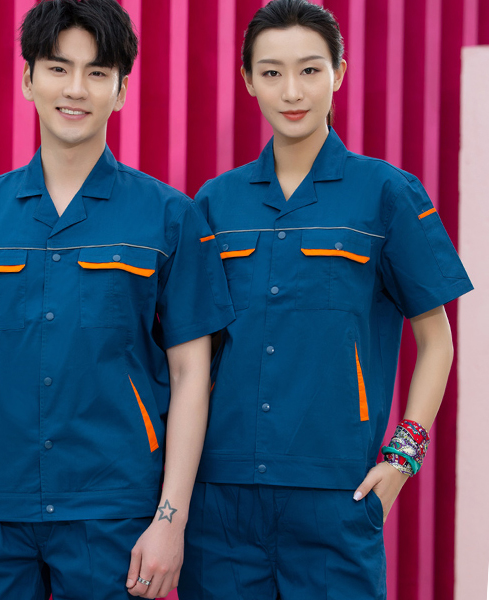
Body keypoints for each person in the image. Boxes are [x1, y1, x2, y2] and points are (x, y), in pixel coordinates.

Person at [0, 1, 234, 598]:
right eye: (58, 68)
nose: (76, 89)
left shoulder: (168, 216)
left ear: (120, 91)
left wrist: (170, 520)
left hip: (117, 510)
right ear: (29, 79)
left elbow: (190, 375)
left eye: (97, 72)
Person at [177, 1, 473, 598]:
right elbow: (193, 354)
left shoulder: (386, 192)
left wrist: (403, 457)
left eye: (310, 70)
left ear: (339, 72)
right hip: (220, 498)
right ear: (248, 80)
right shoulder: (215, 202)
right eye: (272, 72)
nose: (292, 91)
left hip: (337, 495)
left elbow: (436, 338)